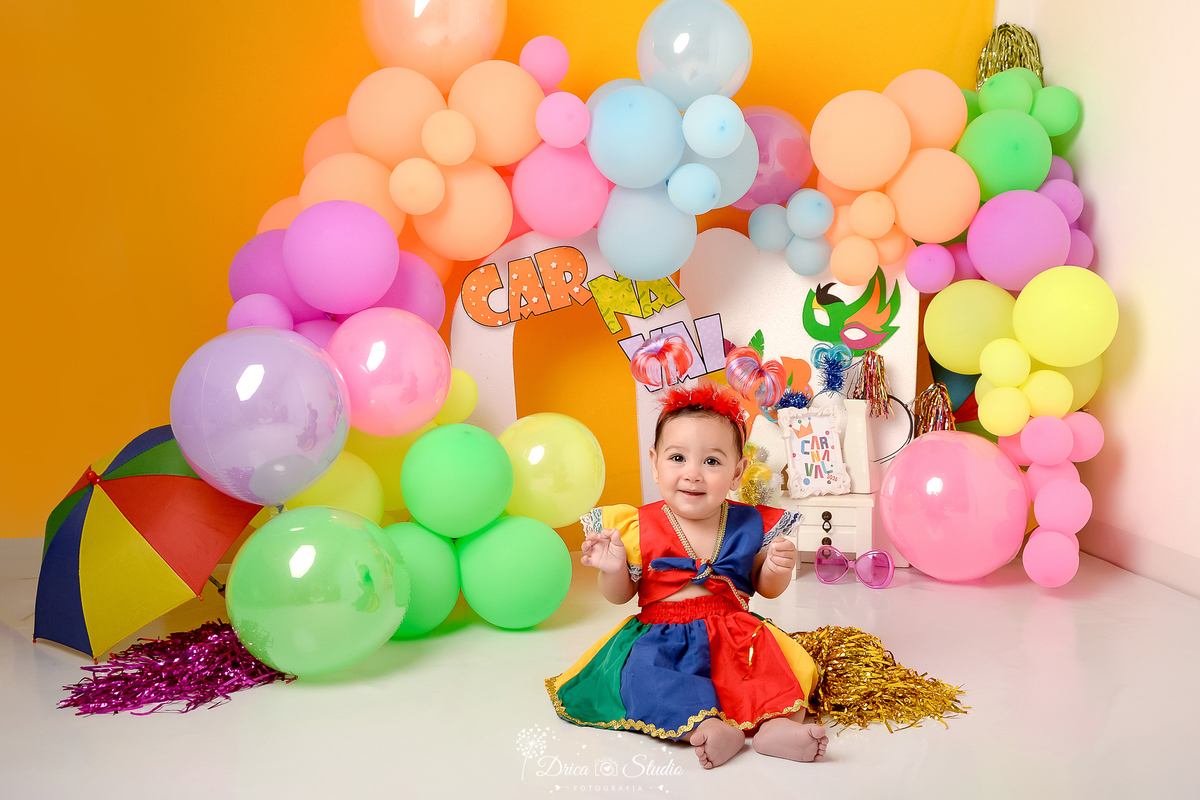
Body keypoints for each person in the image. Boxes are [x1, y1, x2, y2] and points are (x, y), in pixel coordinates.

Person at [545, 382, 829, 769]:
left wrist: (776, 568)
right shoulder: (637, 525)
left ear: (737, 471)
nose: (693, 474)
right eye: (677, 458)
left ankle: (776, 727)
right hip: (659, 637)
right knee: (647, 679)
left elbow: (766, 588)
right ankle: (706, 726)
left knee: (774, 668)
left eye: (712, 462)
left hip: (734, 631)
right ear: (655, 461)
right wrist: (613, 569)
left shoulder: (749, 523)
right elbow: (620, 595)